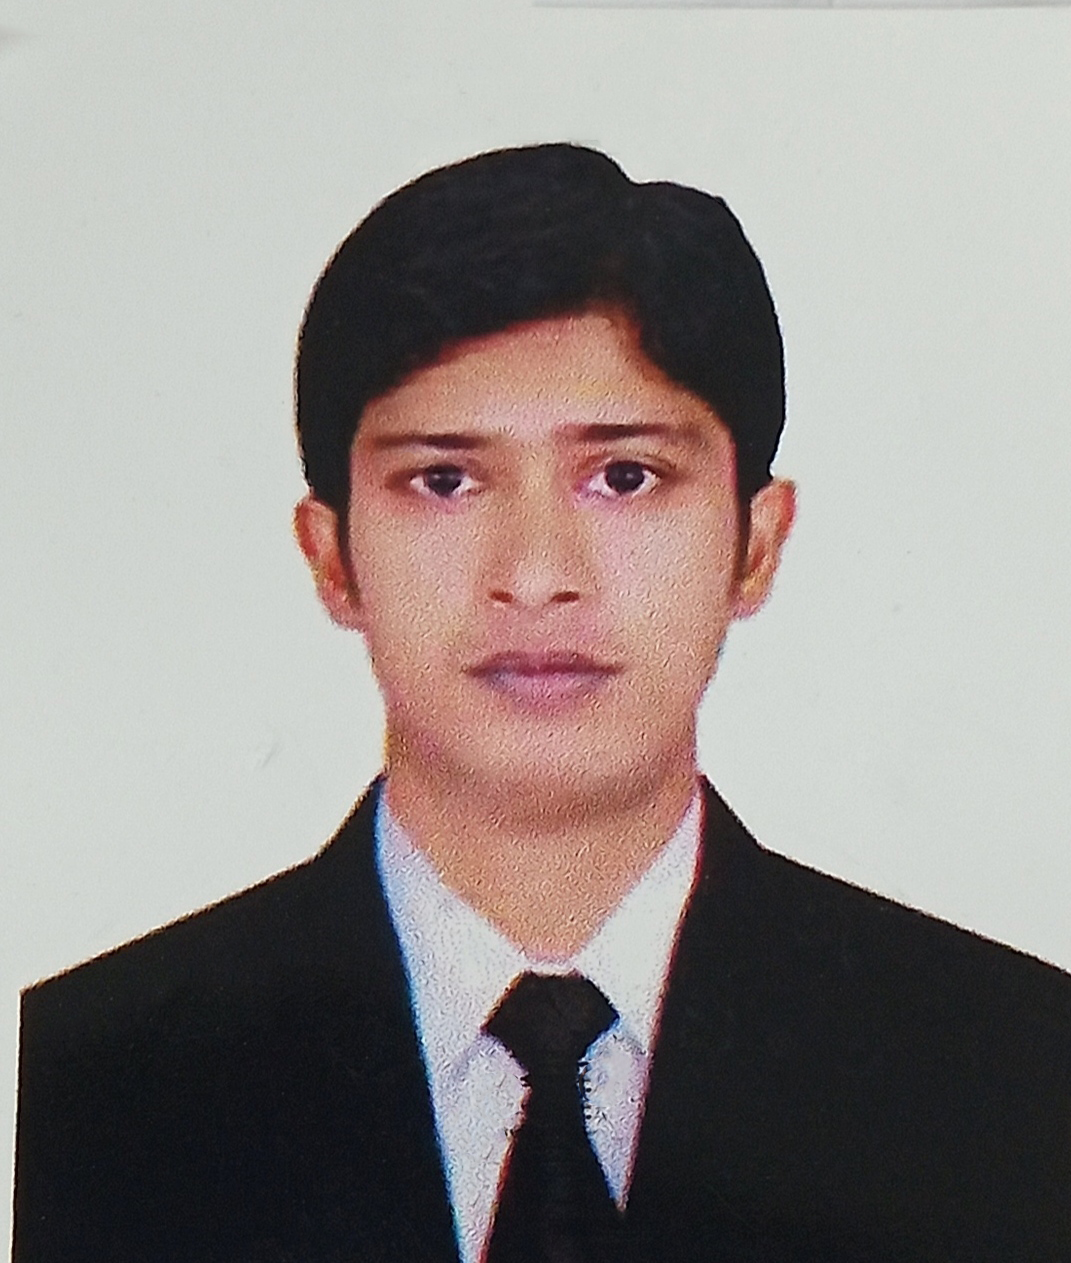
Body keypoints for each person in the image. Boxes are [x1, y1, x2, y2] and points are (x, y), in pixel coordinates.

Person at [12, 144, 1071, 1263]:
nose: (535, 574)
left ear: (756, 544)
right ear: (332, 557)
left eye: (624, 477)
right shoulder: (81, 1082)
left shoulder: (1014, 1072)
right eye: (444, 479)